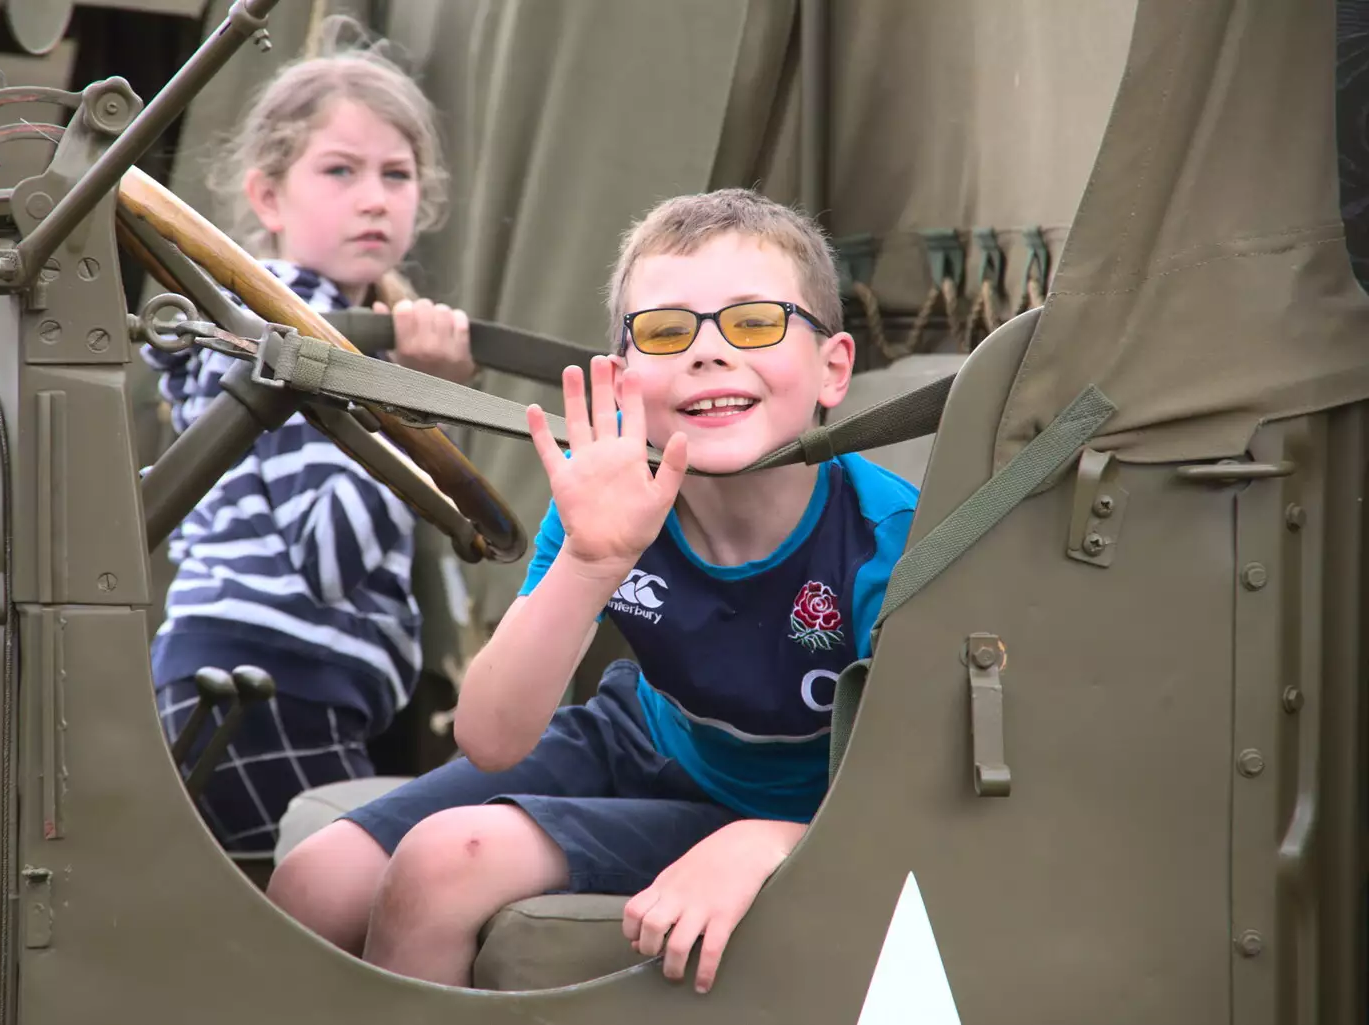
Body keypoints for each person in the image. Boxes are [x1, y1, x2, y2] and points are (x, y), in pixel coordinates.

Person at [266, 188, 919, 992]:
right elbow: (492, 738)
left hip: (796, 809)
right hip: (639, 738)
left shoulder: (888, 543)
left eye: (754, 322)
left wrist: (770, 841)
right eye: (666, 331)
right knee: (313, 881)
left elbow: (917, 795)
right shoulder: (604, 501)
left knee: (442, 863)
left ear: (834, 366)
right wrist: (590, 560)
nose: (709, 353)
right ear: (622, 378)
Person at [143, 18, 476, 855]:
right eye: (340, 170)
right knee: (374, 910)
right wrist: (421, 400)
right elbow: (332, 556)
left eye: (396, 174)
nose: (375, 196)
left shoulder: (283, 323)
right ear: (267, 196)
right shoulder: (296, 332)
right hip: (270, 686)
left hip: (236, 682)